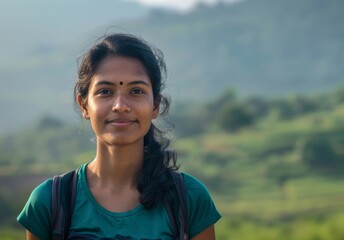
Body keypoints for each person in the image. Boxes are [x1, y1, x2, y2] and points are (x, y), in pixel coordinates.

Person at [17, 33, 221, 239]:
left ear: (155, 105)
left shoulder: (189, 199)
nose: (120, 106)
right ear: (84, 105)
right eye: (105, 91)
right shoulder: (50, 203)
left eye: (136, 91)